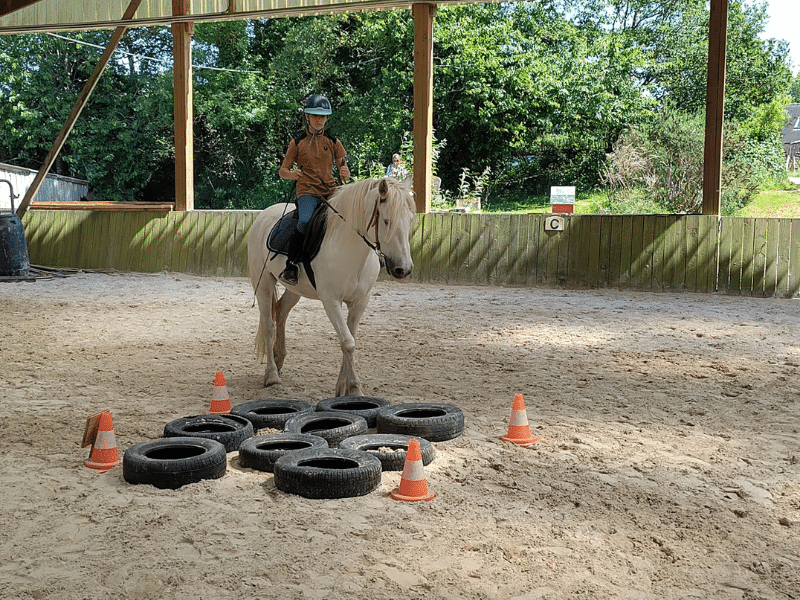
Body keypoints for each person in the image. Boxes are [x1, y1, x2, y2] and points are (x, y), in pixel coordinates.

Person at [278, 94, 350, 285]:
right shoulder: (297, 141)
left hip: (331, 191)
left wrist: (345, 172)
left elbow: (344, 169)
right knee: (305, 220)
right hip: (308, 191)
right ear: (307, 117)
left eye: (322, 116)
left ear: (327, 119)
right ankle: (291, 264)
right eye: (314, 116)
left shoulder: (334, 142)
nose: (319, 120)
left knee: (351, 216)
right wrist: (291, 174)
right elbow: (282, 170)